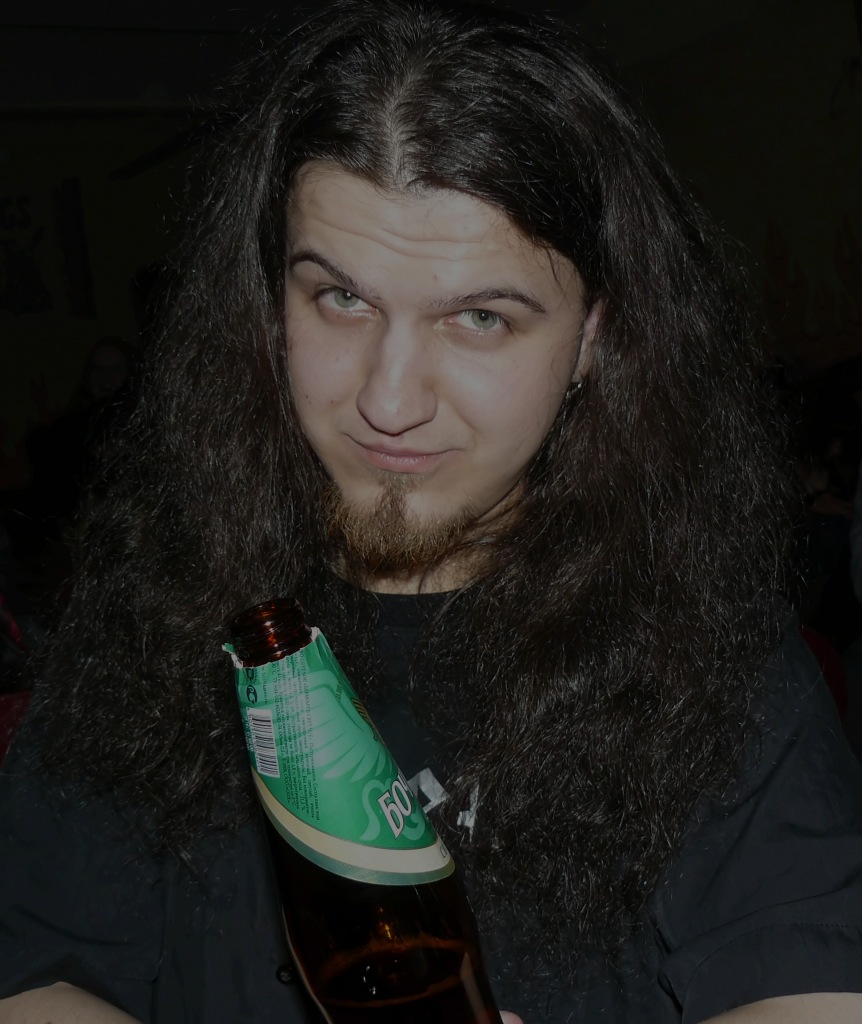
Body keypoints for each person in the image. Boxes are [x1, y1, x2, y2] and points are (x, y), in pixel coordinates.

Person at [2, 1, 862, 1021]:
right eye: (341, 299)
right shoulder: (153, 606)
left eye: (480, 317)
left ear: (593, 338)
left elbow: (810, 988)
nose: (389, 399)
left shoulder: (710, 648)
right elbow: (36, 965)